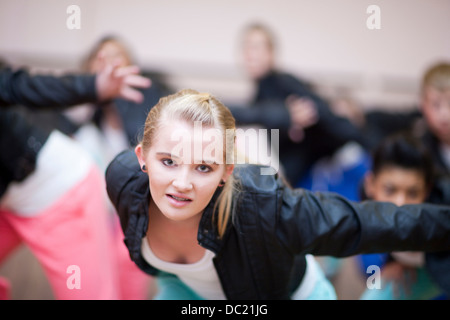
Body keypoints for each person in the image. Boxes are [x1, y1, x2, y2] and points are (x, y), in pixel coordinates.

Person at [105, 89, 450, 300]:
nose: (182, 183)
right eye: (168, 161)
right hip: (190, 290)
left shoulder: (263, 207)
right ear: (141, 158)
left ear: (227, 172)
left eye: (204, 168)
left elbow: (362, 222)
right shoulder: (122, 181)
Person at [0, 59, 151, 299]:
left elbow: (20, 85)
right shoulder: (83, 126)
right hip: (9, 196)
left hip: (59, 192)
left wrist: (93, 86)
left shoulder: (136, 113)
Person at [227, 23, 370, 186]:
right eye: (246, 47)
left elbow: (324, 114)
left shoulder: (285, 83)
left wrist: (362, 136)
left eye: (256, 47)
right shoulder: (261, 94)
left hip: (311, 177)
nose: (250, 54)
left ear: (271, 53)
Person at [358, 132, 445, 300]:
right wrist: (383, 271)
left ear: (427, 191)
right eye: (390, 190)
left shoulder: (440, 217)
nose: (400, 204)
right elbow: (371, 278)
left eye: (412, 193)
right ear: (370, 185)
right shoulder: (364, 221)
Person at [417, 61, 450, 297]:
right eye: (436, 104)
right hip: (432, 256)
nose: (444, 115)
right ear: (422, 105)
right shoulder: (418, 150)